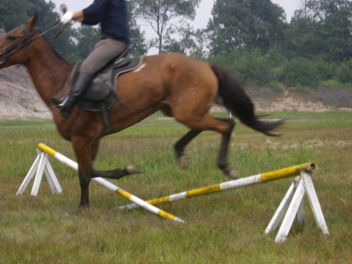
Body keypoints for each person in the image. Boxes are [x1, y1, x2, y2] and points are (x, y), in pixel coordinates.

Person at [52, 0, 130, 118]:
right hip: (110, 40)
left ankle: (69, 104)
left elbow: (92, 10)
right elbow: (94, 19)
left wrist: (71, 16)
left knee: (86, 67)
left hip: (114, 41)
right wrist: (72, 18)